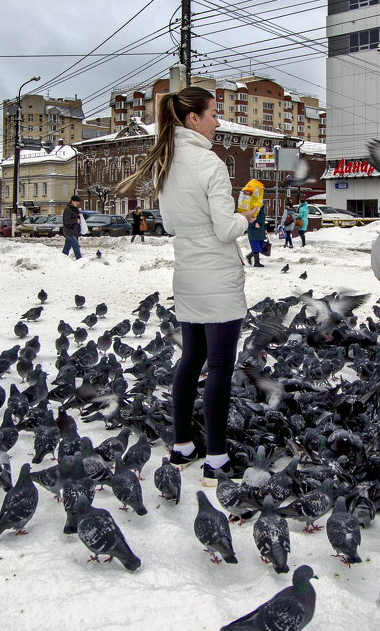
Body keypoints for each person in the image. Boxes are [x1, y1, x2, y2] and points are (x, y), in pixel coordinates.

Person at [115, 85, 259, 486]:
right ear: (193, 119)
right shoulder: (209, 163)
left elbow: (175, 224)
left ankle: (182, 446)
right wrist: (247, 214)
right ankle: (215, 459)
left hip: (187, 274)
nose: (218, 121)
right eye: (214, 114)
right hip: (217, 275)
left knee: (191, 358)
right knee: (218, 366)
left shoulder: (167, 162)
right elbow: (225, 227)